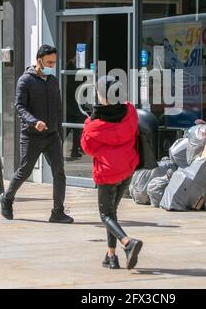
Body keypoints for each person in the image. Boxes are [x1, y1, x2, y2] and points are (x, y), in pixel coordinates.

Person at [0, 45, 74, 224]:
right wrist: (34, 122)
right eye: (49, 62)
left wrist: (59, 132)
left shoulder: (53, 80)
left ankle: (57, 212)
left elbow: (57, 107)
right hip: (31, 135)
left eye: (54, 62)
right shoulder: (25, 80)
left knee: (59, 173)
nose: (52, 65)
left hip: (52, 135)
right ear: (39, 60)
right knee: (25, 170)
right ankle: (7, 198)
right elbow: (19, 106)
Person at [81, 75, 143, 270]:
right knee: (112, 213)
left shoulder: (93, 124)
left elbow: (87, 148)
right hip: (127, 169)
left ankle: (127, 243)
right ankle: (111, 256)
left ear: (101, 96)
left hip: (107, 173)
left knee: (106, 215)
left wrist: (89, 121)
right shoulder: (130, 111)